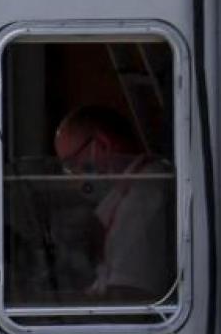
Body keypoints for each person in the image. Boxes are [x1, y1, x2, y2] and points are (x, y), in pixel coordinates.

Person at [53, 105, 175, 302]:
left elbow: (129, 300)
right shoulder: (124, 195)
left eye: (72, 165)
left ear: (102, 145)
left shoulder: (144, 197)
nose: (73, 179)